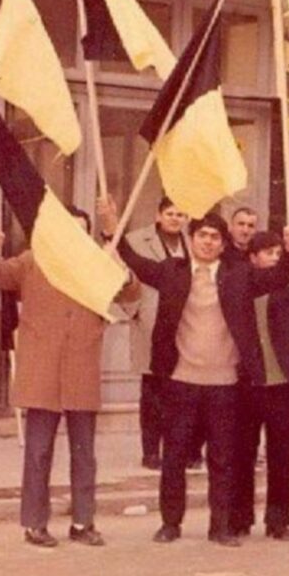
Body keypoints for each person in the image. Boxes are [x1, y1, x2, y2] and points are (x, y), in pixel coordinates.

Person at [105, 201, 289, 547]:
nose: (208, 242)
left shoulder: (239, 276)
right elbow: (134, 261)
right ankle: (170, 523)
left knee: (223, 460)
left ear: (223, 245)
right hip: (180, 380)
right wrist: (111, 227)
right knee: (174, 457)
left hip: (225, 384)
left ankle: (220, 527)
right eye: (202, 235)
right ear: (191, 238)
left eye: (215, 237)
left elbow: (280, 276)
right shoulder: (172, 271)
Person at [0, 210, 140, 548]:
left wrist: (121, 270)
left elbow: (130, 293)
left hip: (81, 369)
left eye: (82, 232)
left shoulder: (98, 264)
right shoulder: (33, 260)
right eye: (70, 230)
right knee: (38, 452)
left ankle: (83, 522)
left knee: (85, 454)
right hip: (42, 370)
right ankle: (35, 524)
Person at [228, 231, 289, 541]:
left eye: (278, 253)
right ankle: (240, 518)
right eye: (268, 253)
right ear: (252, 257)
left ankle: (278, 520)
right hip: (247, 383)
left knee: (280, 455)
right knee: (243, 454)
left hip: (283, 384)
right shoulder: (241, 286)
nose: (274, 258)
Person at [124, 196, 189, 471]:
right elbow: (124, 272)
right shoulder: (136, 240)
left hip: (185, 325)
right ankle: (150, 451)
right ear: (158, 215)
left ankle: (179, 449)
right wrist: (133, 310)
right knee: (152, 391)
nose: (175, 218)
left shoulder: (191, 243)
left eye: (180, 214)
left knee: (181, 391)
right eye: (170, 213)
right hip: (150, 320)